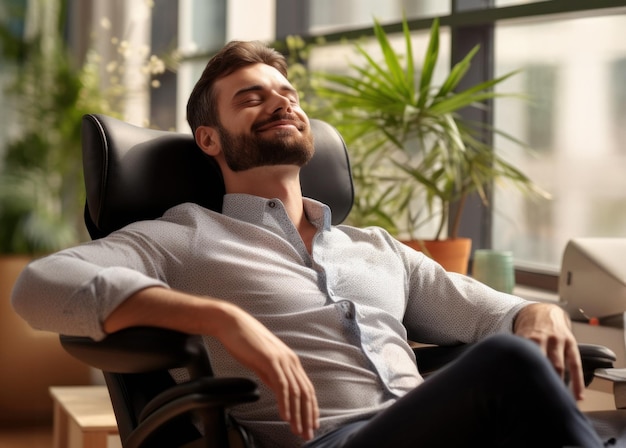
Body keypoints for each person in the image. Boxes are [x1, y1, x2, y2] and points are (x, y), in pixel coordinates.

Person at [11, 40, 607, 448]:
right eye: (251, 97)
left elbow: (493, 314)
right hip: (336, 440)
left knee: (520, 354)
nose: (281, 102)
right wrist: (218, 317)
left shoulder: (377, 248)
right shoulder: (183, 236)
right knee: (511, 363)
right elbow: (38, 287)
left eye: (286, 92)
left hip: (436, 426)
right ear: (210, 139)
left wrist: (540, 310)